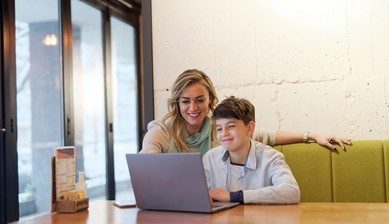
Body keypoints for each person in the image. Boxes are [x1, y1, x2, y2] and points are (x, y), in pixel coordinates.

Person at [140, 69, 351, 155]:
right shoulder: (161, 132)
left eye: (200, 100)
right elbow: (146, 173)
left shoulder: (220, 129)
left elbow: (266, 136)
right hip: (175, 209)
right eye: (185, 101)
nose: (193, 108)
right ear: (177, 103)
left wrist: (313, 135)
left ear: (211, 100)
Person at [203, 96, 300, 205]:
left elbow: (291, 191)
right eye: (219, 129)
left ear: (250, 128)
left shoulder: (271, 157)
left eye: (230, 126)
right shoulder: (209, 158)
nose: (224, 133)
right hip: (220, 221)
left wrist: (232, 196)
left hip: (259, 220)